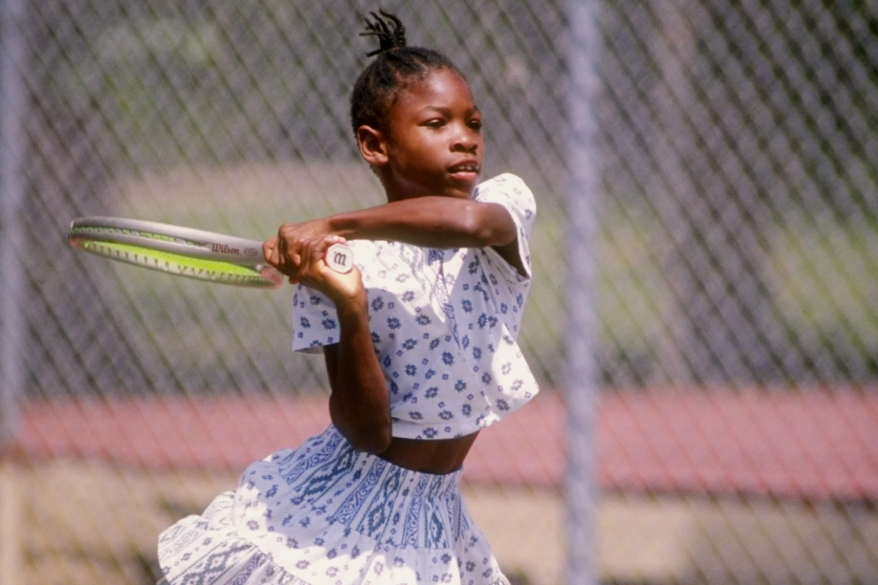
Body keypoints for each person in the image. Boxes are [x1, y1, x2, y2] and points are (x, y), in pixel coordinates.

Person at [157, 10, 538, 585]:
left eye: (473, 123)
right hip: (335, 511)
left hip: (435, 516)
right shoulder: (337, 267)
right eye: (436, 123)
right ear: (374, 144)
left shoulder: (501, 206)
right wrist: (350, 306)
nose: (465, 138)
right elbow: (367, 433)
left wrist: (332, 223)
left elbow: (464, 222)